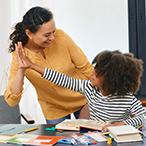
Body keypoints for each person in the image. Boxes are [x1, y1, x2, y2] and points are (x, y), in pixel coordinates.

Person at [17, 48, 146, 131]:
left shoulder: (127, 98)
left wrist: (119, 125)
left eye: (97, 72)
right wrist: (32, 66)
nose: (92, 73)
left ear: (111, 79)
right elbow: (62, 79)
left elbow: (143, 116)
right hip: (94, 138)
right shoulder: (89, 88)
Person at [4, 6, 94, 124]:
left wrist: (98, 97)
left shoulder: (61, 37)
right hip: (54, 107)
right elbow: (12, 100)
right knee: (58, 142)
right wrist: (21, 69)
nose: (52, 37)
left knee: (92, 138)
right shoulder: (20, 55)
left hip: (83, 99)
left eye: (53, 31)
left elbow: (86, 68)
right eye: (47, 35)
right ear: (29, 33)